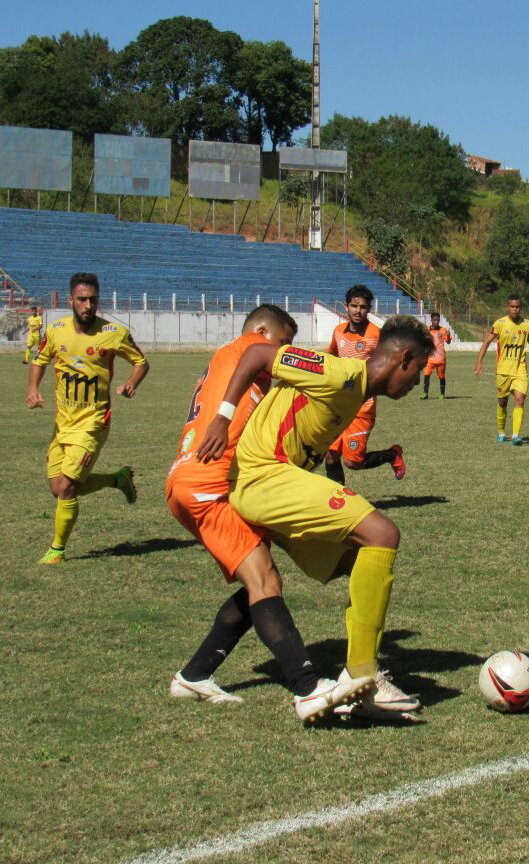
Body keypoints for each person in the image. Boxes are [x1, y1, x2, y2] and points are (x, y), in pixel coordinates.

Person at [196, 315, 435, 720]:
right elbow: (257, 354)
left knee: (360, 562)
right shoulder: (340, 374)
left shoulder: (357, 392)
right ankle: (364, 675)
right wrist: (222, 416)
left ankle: (195, 672)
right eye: (419, 373)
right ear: (405, 359)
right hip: (262, 477)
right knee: (382, 532)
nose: (415, 384)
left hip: (279, 483)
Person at [165, 304, 374, 722]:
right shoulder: (250, 348)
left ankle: (195, 674)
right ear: (261, 331)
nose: (286, 351)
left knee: (259, 579)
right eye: (284, 341)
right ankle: (307, 686)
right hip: (209, 484)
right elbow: (261, 357)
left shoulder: (231, 361)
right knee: (264, 581)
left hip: (199, 481)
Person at [26, 273, 149, 564]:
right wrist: (32, 388)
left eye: (93, 299)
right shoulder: (56, 330)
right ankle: (116, 480)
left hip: (93, 423)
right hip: (62, 423)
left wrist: (132, 383)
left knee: (67, 487)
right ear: (70, 300)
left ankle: (57, 550)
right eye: (82, 299)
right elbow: (40, 359)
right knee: (57, 489)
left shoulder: (113, 332)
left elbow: (141, 362)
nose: (88, 305)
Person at [324, 284, 406, 485]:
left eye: (363, 307)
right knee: (330, 455)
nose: (358, 311)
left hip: (363, 406)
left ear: (369, 309)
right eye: (354, 306)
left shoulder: (377, 334)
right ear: (346, 307)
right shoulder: (338, 332)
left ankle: (392, 455)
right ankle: (338, 502)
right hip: (338, 404)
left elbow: (392, 361)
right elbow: (331, 356)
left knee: (353, 462)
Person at [473, 295, 529, 445]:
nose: (515, 309)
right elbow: (486, 342)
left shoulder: (527, 325)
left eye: (518, 307)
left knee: (520, 400)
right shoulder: (500, 324)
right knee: (502, 402)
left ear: (520, 308)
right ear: (507, 307)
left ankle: (516, 436)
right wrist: (479, 363)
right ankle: (501, 432)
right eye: (512, 307)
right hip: (503, 371)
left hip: (520, 370)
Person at [419, 311, 453, 399]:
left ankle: (442, 394)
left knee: (441, 376)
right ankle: (425, 394)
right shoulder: (427, 330)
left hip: (441, 358)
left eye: (438, 320)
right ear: (431, 320)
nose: (436, 322)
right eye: (435, 320)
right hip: (430, 358)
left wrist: (448, 336)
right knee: (426, 375)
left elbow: (448, 342)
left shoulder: (443, 330)